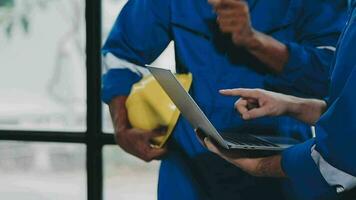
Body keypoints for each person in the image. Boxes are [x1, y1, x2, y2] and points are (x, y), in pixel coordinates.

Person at [101, 0, 347, 199]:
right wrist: (122, 126)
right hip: (189, 164)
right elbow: (121, 55)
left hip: (280, 164)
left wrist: (255, 41)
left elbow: (333, 78)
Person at [203, 2, 356, 199]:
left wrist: (261, 166)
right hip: (189, 160)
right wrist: (293, 105)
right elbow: (346, 106)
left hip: (295, 159)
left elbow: (340, 159)